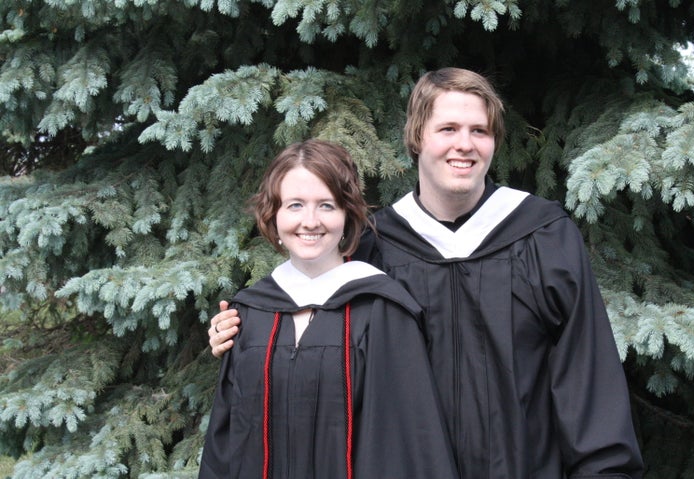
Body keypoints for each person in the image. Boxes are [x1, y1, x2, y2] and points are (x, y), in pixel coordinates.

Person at [209, 69, 644, 478]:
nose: (465, 144)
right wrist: (239, 328)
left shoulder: (543, 237)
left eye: (480, 131)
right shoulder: (375, 249)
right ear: (417, 136)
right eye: (448, 129)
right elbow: (311, 343)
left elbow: (586, 373)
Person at [199, 139, 458, 479]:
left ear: (347, 214)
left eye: (326, 205)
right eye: (294, 205)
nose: (310, 221)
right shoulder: (249, 315)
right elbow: (226, 443)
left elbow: (406, 445)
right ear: (273, 214)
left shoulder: (381, 310)